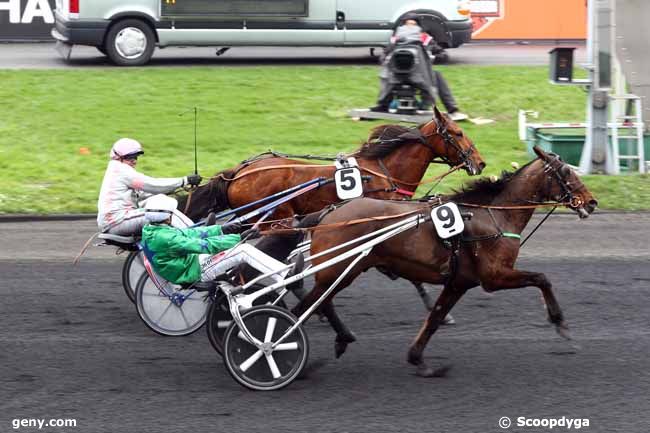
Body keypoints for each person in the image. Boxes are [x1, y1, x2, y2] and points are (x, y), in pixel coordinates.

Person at [141, 195, 289, 286]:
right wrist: (239, 238)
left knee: (233, 250)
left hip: (190, 264)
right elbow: (203, 245)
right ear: (166, 216)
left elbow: (190, 233)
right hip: (194, 272)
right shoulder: (165, 238)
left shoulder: (152, 230)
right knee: (243, 250)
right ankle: (285, 274)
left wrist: (221, 229)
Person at [370, 13, 468, 121]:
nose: (410, 27)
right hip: (410, 75)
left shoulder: (417, 39)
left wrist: (429, 58)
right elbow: (384, 55)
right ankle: (452, 110)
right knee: (387, 72)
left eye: (413, 24)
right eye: (408, 24)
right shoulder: (405, 39)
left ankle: (383, 105)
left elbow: (442, 54)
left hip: (409, 76)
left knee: (436, 76)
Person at [97, 138, 202, 236]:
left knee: (159, 203)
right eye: (130, 157)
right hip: (117, 221)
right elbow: (153, 185)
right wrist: (185, 181)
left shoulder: (118, 169)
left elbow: (145, 193)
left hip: (118, 220)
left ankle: (190, 234)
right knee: (165, 211)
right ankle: (197, 234)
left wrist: (175, 189)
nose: (134, 160)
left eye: (136, 157)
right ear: (118, 157)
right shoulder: (120, 170)